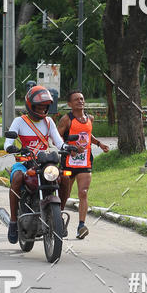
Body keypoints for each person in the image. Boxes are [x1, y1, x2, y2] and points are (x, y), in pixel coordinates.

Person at [5, 85, 66, 244]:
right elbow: (7, 143)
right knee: (17, 178)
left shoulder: (49, 122)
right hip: (24, 163)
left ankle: (59, 215)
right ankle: (13, 221)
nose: (41, 110)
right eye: (38, 106)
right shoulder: (19, 121)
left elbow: (59, 142)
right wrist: (12, 148)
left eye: (44, 107)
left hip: (44, 164)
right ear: (30, 106)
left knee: (65, 177)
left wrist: (67, 147)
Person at [57, 90, 109, 239]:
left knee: (83, 193)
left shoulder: (89, 118)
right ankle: (58, 219)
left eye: (81, 99)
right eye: (76, 99)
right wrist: (69, 148)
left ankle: (81, 226)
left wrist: (99, 143)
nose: (80, 101)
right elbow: (57, 137)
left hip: (85, 162)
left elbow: (88, 134)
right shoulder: (66, 120)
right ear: (69, 104)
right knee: (65, 194)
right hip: (68, 162)